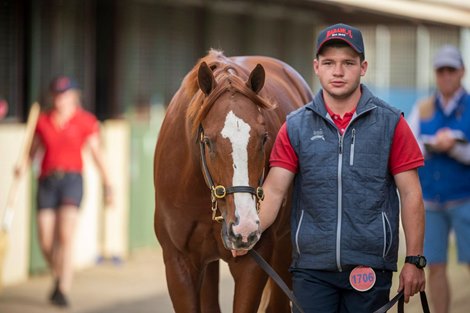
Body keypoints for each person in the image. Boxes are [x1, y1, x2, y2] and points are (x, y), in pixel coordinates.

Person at [232, 23, 426, 312]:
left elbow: (411, 195)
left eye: (348, 63)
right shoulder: (295, 127)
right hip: (311, 270)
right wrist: (250, 231)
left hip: (370, 268)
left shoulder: (392, 124)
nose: (338, 71)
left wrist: (413, 260)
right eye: (329, 63)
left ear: (363, 67)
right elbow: (273, 191)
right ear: (317, 67)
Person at [16, 76, 113, 307]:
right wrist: (22, 166)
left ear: (73, 95)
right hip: (47, 181)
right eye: (56, 95)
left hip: (72, 180)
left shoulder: (85, 121)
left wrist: (108, 184)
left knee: (65, 236)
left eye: (64, 94)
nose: (60, 99)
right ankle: (59, 273)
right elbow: (32, 152)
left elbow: (97, 155)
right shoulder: (42, 121)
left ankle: (63, 287)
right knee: (46, 239)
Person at [408, 44, 470, 313]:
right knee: (435, 267)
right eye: (441, 70)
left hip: (465, 198)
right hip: (431, 201)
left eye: (451, 70)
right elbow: (410, 146)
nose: (446, 75)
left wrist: (454, 147)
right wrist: (432, 145)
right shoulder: (423, 108)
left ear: (461, 72)